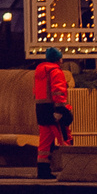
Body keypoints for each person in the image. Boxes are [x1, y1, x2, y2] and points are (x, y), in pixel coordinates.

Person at [31, 47, 73, 178]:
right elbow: (58, 91)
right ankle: (70, 168)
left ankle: (43, 171)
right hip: (54, 110)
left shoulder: (40, 71)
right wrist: (61, 109)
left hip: (41, 110)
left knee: (44, 143)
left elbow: (35, 92)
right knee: (63, 137)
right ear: (59, 59)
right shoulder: (55, 71)